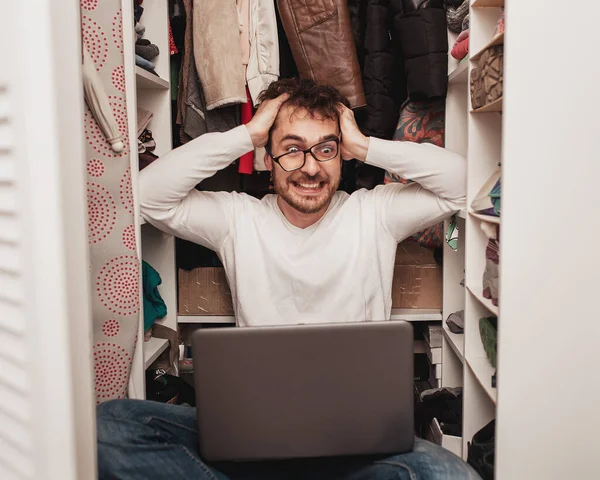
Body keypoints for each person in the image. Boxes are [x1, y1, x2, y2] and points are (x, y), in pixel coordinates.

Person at [97, 78, 476, 479]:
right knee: (111, 426)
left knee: (447, 473)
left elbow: (461, 183)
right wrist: (247, 134)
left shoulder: (374, 213)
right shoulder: (236, 218)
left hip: (358, 446)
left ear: (342, 155)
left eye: (325, 149)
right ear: (266, 158)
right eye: (292, 149)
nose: (311, 167)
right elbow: (147, 194)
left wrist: (366, 145)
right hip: (254, 438)